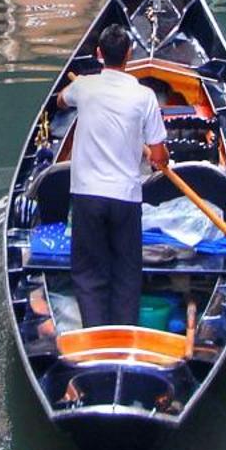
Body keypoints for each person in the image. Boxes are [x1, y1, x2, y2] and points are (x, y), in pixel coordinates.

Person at [59, 23, 169, 329]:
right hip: (125, 198)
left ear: (98, 55)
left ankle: (96, 338)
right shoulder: (145, 96)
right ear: (130, 55)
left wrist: (78, 92)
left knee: (89, 273)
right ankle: (122, 337)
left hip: (87, 196)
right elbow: (159, 158)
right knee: (126, 273)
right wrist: (156, 156)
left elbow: (60, 102)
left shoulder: (84, 86)